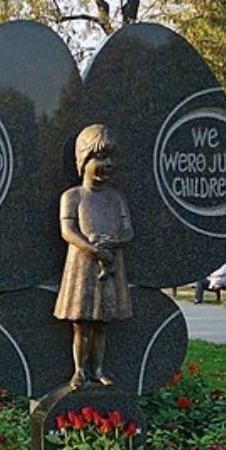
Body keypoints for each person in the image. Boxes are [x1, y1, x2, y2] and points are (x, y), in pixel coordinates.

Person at [53, 125, 133, 389]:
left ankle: (98, 369)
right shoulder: (72, 196)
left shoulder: (116, 197)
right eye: (100, 158)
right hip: (83, 266)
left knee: (102, 324)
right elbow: (67, 230)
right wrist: (91, 248)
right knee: (82, 324)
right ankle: (79, 370)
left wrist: (114, 242)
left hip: (109, 265)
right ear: (84, 161)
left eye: (111, 158)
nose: (107, 164)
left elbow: (128, 231)